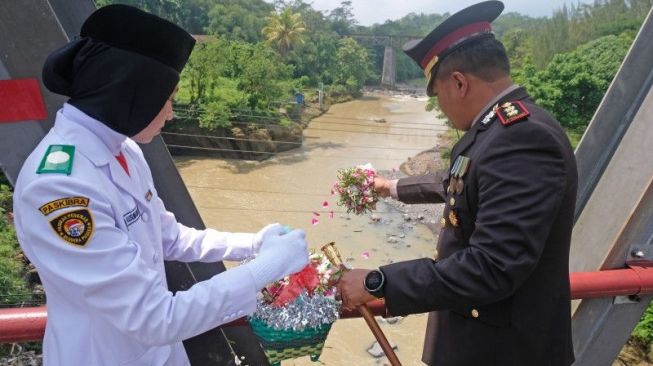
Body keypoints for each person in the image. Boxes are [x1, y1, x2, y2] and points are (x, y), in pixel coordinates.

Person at [12, 5, 309, 366]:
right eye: (166, 98)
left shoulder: (126, 152)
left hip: (159, 355)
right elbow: (153, 318)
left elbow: (168, 236)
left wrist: (253, 244)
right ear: (130, 94)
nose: (170, 112)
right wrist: (265, 269)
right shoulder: (60, 188)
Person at [337, 1, 577, 365]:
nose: (441, 109)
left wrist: (379, 282)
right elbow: (460, 181)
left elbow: (492, 266)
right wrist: (391, 187)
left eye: (437, 96)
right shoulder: (499, 132)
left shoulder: (521, 140)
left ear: (459, 83)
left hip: (499, 352)